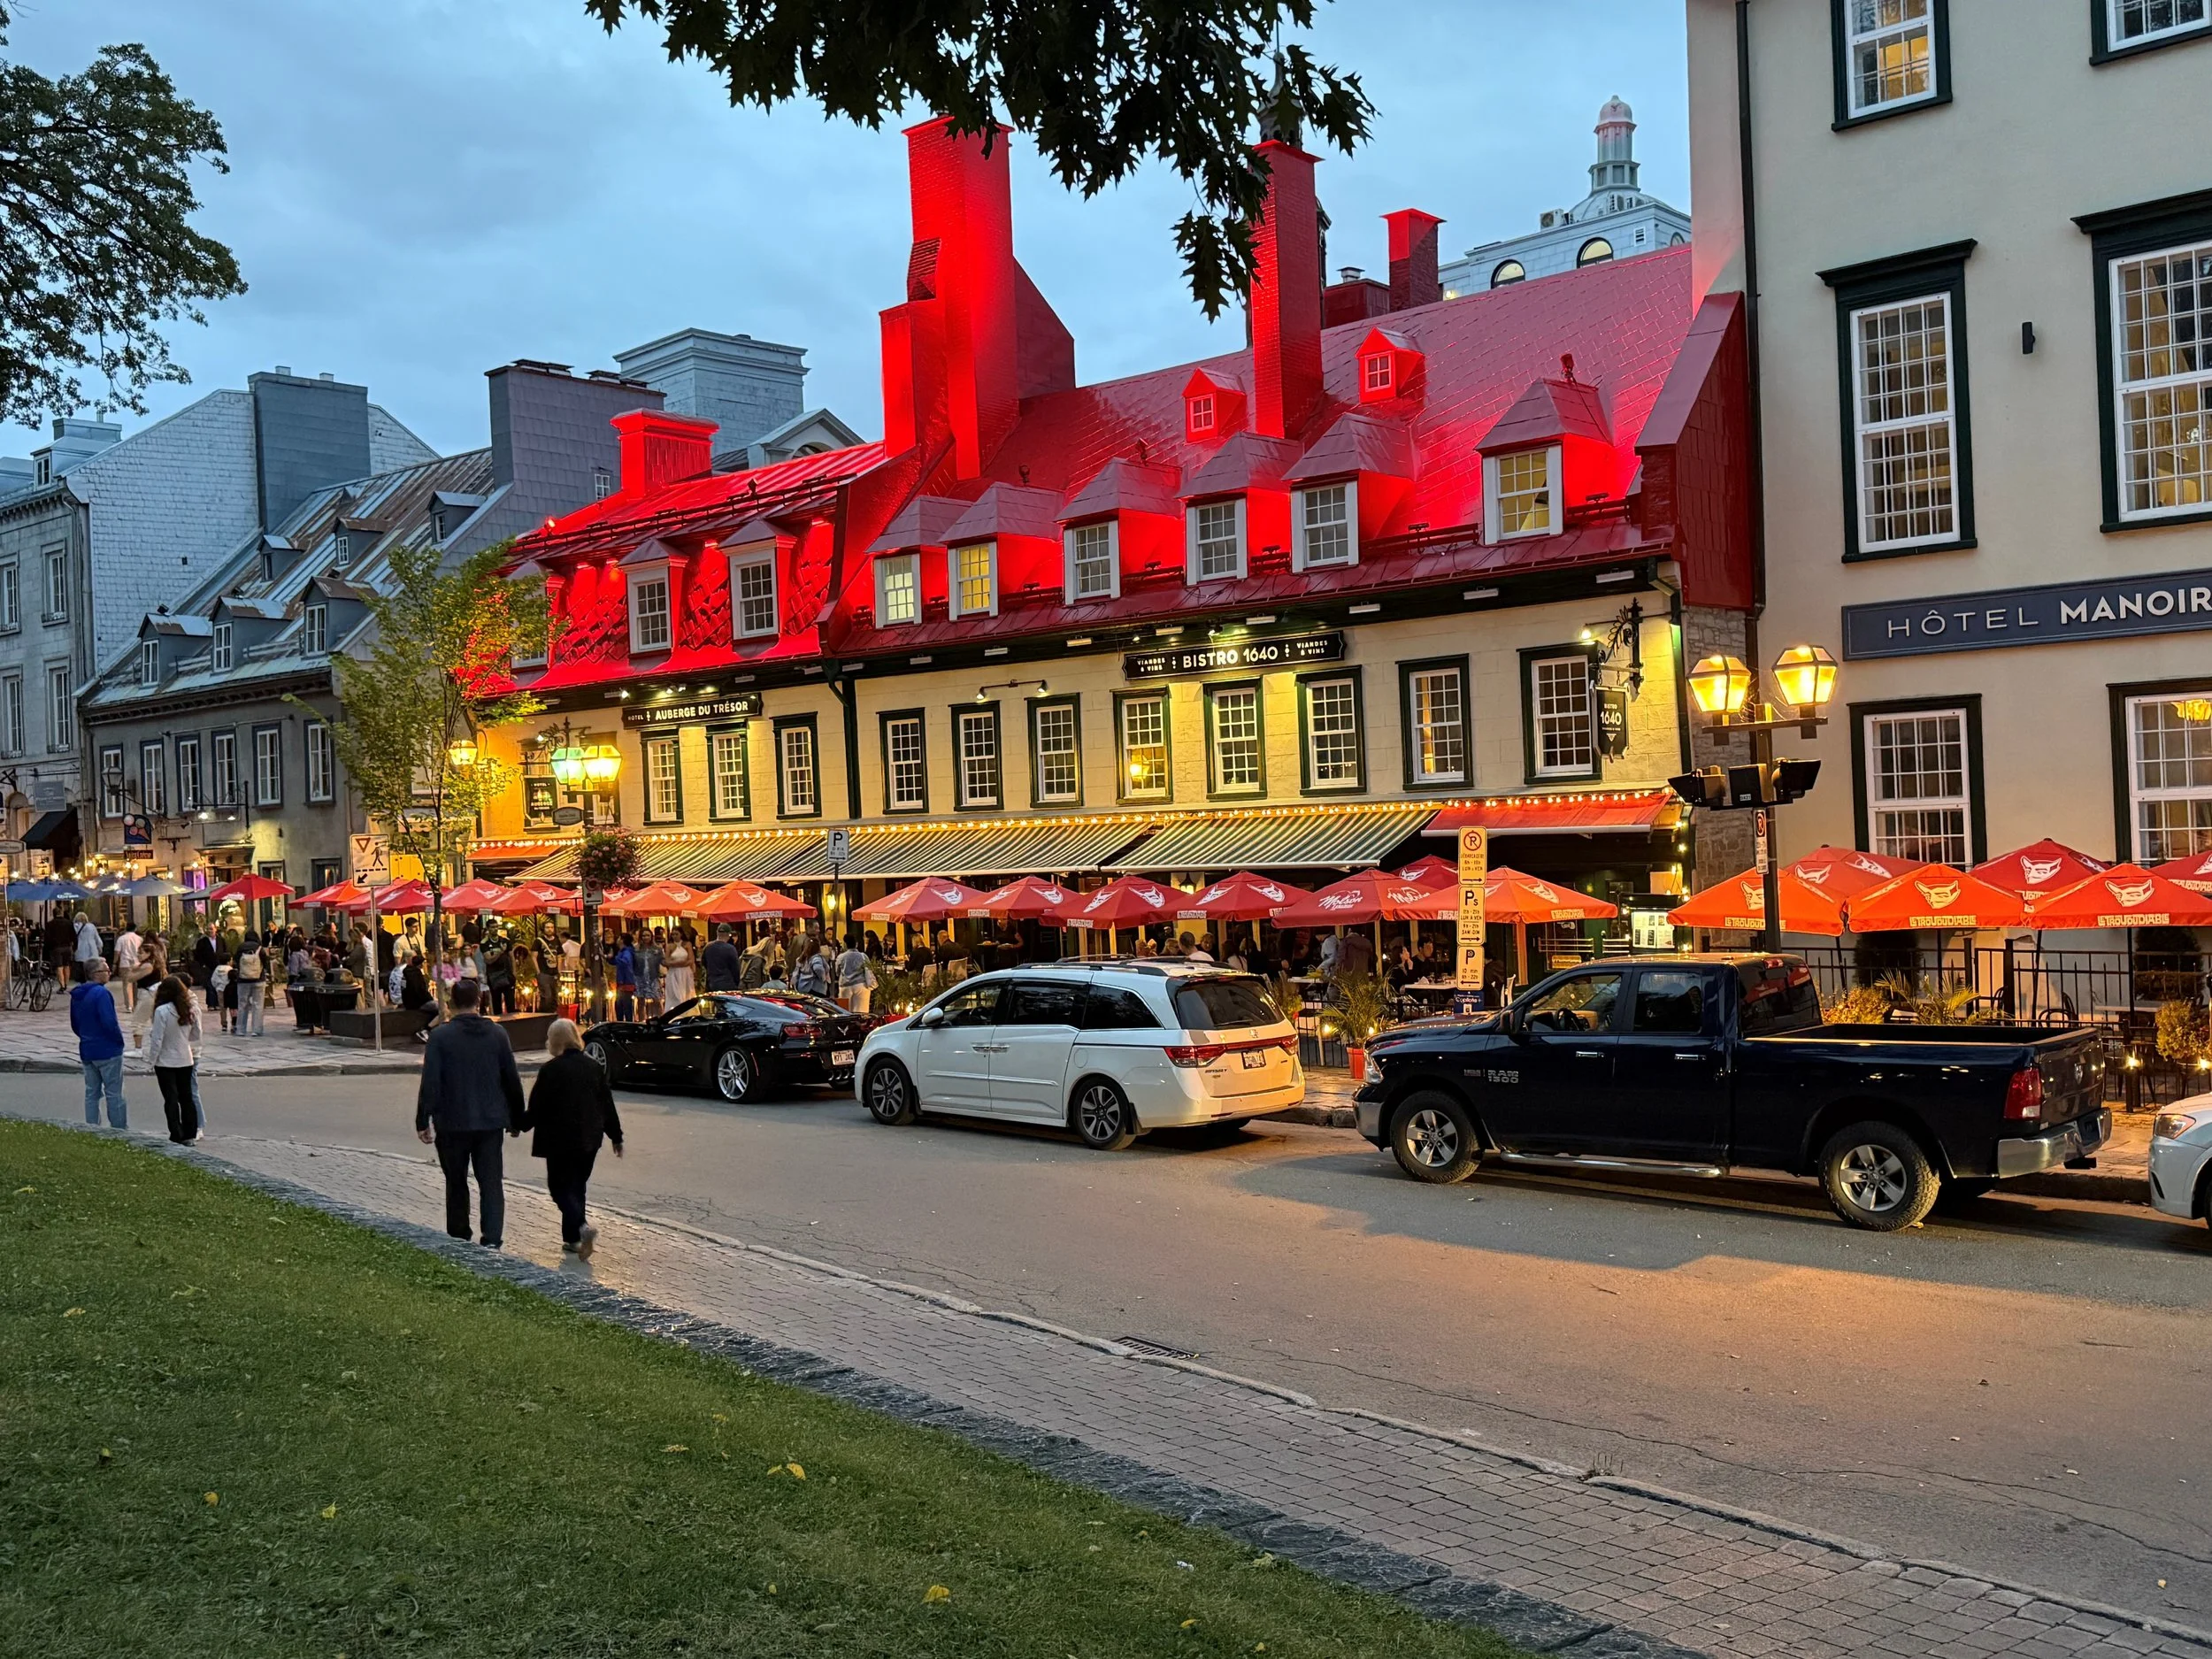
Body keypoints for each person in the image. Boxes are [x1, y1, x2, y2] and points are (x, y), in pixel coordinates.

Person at [413, 978, 525, 1248]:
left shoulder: (440, 1036)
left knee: (456, 1181)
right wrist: (516, 1117)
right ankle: (492, 1239)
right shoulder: (498, 1034)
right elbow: (511, 1078)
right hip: (490, 1122)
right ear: (479, 1002)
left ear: (451, 1004)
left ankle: (460, 1235)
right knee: (491, 1182)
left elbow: (430, 1081)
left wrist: (422, 1119)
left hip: (451, 1122)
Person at [521, 1018, 625, 1258]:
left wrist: (517, 1125)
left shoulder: (550, 1070)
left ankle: (581, 1227)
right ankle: (572, 1240)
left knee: (559, 1188)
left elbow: (536, 1109)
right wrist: (616, 1136)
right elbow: (606, 1105)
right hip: (589, 1139)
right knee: (577, 1188)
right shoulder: (593, 1067)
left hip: (560, 1140)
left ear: (554, 1040)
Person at [71, 958, 128, 1129]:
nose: (109, 973)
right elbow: (109, 1022)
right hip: (107, 1049)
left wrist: (85, 1036)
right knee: (114, 1093)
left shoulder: (77, 995)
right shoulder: (101, 994)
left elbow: (75, 1023)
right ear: (96, 974)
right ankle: (119, 1129)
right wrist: (119, 1040)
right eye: (106, 970)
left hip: (88, 1048)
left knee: (92, 1093)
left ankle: (92, 1127)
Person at [145, 975, 203, 1144]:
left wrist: (152, 1060)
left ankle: (176, 1133)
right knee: (187, 1098)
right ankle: (190, 1133)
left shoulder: (162, 1011)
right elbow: (197, 1034)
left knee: (171, 1099)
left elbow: (157, 1039)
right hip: (185, 1058)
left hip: (165, 1061)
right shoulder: (190, 1009)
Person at [234, 929, 267, 1036]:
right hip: (258, 979)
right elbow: (265, 962)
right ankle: (256, 1030)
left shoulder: (241, 947)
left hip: (243, 980)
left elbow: (236, 961)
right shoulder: (259, 948)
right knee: (258, 1005)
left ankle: (240, 1029)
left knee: (242, 1004)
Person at [836, 933, 876, 1014]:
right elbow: (869, 968)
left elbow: (837, 972)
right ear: (856, 944)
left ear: (845, 944)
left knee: (845, 1013)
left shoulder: (841, 957)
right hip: (861, 986)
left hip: (845, 986)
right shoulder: (863, 956)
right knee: (861, 1014)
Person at [702, 925, 742, 993]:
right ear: (729, 934)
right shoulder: (730, 949)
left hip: (711, 983)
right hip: (727, 984)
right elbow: (735, 969)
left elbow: (704, 963)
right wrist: (736, 983)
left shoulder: (708, 947)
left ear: (717, 933)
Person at [114, 922, 143, 1011]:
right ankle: (137, 1003)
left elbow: (117, 952)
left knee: (127, 984)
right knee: (137, 985)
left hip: (125, 963)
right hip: (137, 963)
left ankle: (129, 1005)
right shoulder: (140, 939)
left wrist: (115, 963)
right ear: (135, 929)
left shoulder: (121, 939)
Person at [664, 930, 695, 1006]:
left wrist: (680, 964)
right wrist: (678, 964)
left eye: (676, 934)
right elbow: (667, 961)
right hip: (673, 972)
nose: (674, 936)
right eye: (673, 934)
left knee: (687, 992)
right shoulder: (669, 946)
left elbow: (691, 960)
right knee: (674, 993)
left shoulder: (687, 944)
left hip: (685, 972)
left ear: (681, 934)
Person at [72, 910, 103, 984]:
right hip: (92, 951)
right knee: (92, 969)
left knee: (82, 970)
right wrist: (99, 947)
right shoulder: (92, 926)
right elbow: (97, 938)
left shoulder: (75, 927)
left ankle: (83, 983)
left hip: (80, 951)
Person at [611, 933, 637, 1020]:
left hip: (626, 981)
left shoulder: (627, 952)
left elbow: (625, 962)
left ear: (622, 940)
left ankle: (627, 1023)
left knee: (624, 1005)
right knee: (620, 1004)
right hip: (622, 981)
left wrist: (614, 959)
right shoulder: (622, 951)